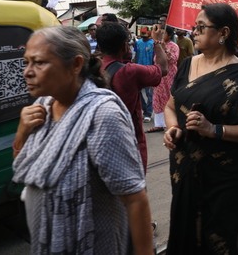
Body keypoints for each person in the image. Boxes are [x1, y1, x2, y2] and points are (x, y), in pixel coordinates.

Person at [12, 26, 153, 255]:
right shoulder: (42, 107)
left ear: (76, 65)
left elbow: (135, 200)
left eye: (39, 62)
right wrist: (21, 133)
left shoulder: (102, 115)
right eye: (26, 62)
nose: (27, 71)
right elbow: (25, 168)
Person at [163, 3, 238, 255]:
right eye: (195, 27)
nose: (194, 32)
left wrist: (214, 130)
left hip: (225, 179)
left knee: (219, 242)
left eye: (201, 27)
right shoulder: (187, 65)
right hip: (185, 172)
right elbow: (171, 106)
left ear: (223, 33)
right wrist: (173, 128)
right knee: (185, 235)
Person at [96, 22, 167, 172]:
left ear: (100, 47)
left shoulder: (91, 69)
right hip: (129, 144)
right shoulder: (130, 72)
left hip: (98, 144)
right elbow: (163, 69)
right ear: (125, 47)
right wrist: (158, 42)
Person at [147, 26, 179, 133]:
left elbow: (174, 59)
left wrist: (165, 49)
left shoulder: (174, 46)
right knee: (157, 99)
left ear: (169, 35)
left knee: (169, 98)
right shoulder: (157, 45)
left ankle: (170, 123)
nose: (161, 35)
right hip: (160, 76)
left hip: (169, 76)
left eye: (163, 33)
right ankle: (159, 124)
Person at [135, 27, 156, 122]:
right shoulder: (138, 42)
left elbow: (154, 57)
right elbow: (136, 55)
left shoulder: (153, 44)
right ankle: (144, 110)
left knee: (149, 93)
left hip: (149, 70)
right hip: (139, 70)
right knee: (138, 92)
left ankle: (148, 113)